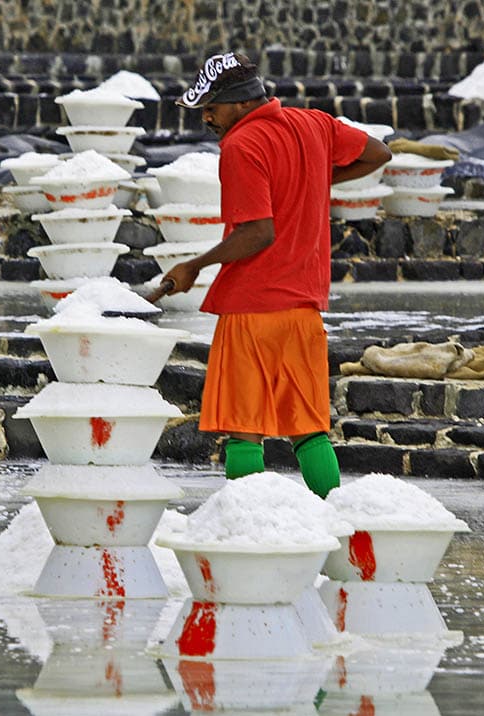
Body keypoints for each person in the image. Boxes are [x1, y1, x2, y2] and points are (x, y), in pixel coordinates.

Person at [161, 52, 392, 498]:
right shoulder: (314, 124)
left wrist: (194, 265)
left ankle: (245, 529)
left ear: (242, 100)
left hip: (251, 308)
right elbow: (378, 154)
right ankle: (333, 517)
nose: (206, 116)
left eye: (211, 104)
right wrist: (311, 180)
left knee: (243, 431)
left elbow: (257, 234)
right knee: (309, 430)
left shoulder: (241, 145)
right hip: (302, 310)